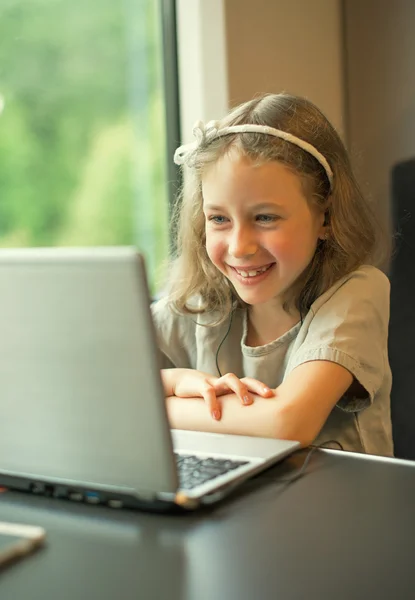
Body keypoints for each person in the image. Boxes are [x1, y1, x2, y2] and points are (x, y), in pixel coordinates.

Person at [152, 93, 393, 456]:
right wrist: (172, 380)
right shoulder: (201, 302)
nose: (239, 247)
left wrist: (155, 407)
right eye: (219, 219)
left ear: (325, 218)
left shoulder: (356, 293)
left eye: (265, 218)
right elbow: (90, 388)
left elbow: (287, 423)